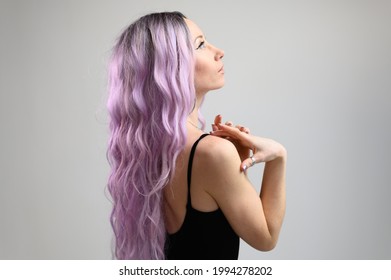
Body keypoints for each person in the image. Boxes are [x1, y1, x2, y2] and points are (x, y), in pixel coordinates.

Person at [107, 11, 286, 260]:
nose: (218, 51)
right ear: (170, 67)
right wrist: (277, 157)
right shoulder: (212, 153)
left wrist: (236, 165)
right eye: (200, 44)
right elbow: (266, 237)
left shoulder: (149, 151)